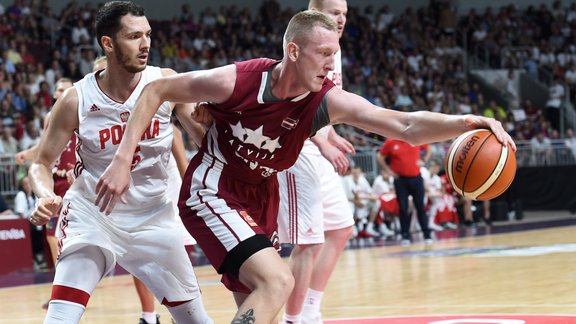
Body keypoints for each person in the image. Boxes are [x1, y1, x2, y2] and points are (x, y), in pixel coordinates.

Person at [96, 10, 515, 324]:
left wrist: (466, 122)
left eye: (335, 54)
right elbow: (156, 89)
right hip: (213, 189)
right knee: (279, 281)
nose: (332, 65)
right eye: (324, 54)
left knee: (264, 306)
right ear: (293, 51)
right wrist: (122, 160)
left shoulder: (326, 99)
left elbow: (403, 124)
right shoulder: (238, 81)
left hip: (261, 197)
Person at [27, 2, 212, 323]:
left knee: (196, 320)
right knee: (59, 318)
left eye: (148, 35)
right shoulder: (76, 98)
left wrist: (212, 122)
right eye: (134, 36)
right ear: (108, 44)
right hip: (93, 216)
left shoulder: (166, 82)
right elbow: (40, 162)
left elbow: (206, 140)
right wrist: (44, 194)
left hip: (154, 217)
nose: (146, 44)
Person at [277, 1, 355, 323]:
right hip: (296, 149)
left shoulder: (334, 53)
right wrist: (322, 139)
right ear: (314, 9)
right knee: (308, 244)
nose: (340, 18)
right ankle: (294, 320)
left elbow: (321, 102)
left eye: (345, 14)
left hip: (317, 144)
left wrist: (330, 132)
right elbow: (291, 103)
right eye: (334, 11)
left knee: (341, 229)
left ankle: (310, 311)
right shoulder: (301, 46)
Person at [377, 139, 434, 246]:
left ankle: (427, 235)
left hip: (416, 178)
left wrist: (424, 160)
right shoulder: (391, 142)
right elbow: (380, 156)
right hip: (400, 180)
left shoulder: (414, 137)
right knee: (403, 208)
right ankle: (405, 236)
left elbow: (429, 149)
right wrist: (388, 171)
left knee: (420, 207)